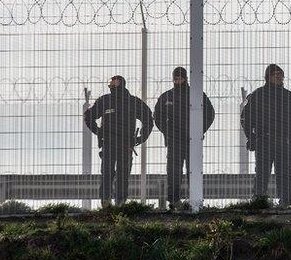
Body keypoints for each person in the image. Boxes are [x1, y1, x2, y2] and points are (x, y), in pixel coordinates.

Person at [240, 64, 291, 207]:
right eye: (275, 74)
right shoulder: (258, 95)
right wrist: (251, 137)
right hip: (264, 141)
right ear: (268, 77)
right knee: (262, 176)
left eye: (281, 74)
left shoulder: (288, 96)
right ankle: (259, 204)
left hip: (285, 142)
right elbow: (246, 118)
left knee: (284, 177)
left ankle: (285, 205)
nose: (279, 77)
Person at [84, 75, 153, 205]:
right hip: (109, 144)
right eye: (111, 83)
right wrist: (98, 132)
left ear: (121, 83)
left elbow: (148, 119)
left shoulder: (132, 102)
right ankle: (106, 204)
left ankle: (120, 205)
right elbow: (89, 116)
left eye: (114, 82)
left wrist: (141, 138)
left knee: (123, 176)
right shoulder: (105, 100)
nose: (111, 85)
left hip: (126, 145)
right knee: (106, 174)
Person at [153, 67, 216, 210]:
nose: (178, 81)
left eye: (181, 78)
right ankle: (174, 202)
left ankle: (194, 201)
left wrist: (199, 130)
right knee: (173, 172)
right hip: (174, 140)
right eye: (176, 79)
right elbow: (157, 116)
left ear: (186, 79)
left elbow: (210, 114)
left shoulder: (196, 95)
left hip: (192, 140)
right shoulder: (167, 96)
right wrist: (167, 132)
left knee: (193, 171)